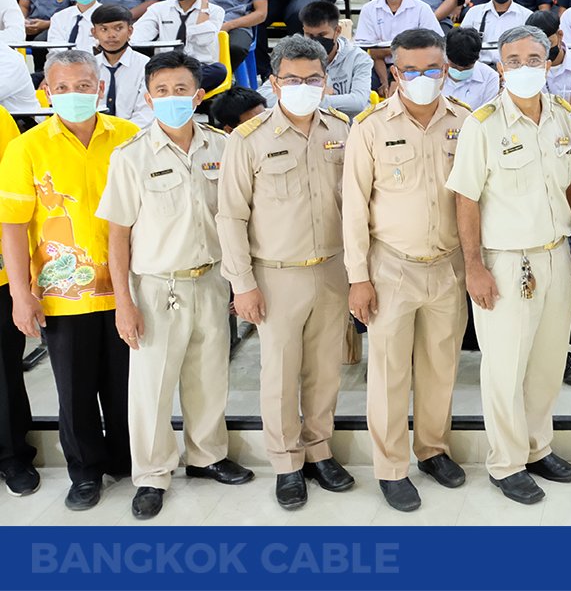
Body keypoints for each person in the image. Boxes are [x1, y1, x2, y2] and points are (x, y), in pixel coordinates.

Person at [98, 52, 253, 519]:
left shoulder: (223, 149)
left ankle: (206, 457)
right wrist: (124, 302)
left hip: (211, 281)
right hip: (156, 287)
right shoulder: (130, 157)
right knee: (152, 386)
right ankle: (151, 474)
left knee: (209, 377)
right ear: (148, 97)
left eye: (181, 90)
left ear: (199, 95)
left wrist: (240, 282)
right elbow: (118, 236)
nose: (171, 99)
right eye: (161, 91)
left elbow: (238, 218)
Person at [217, 36, 356, 510]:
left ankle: (319, 449)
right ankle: (286, 462)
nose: (303, 87)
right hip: (275, 275)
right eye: (292, 80)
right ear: (274, 83)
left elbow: (358, 207)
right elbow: (231, 216)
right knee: (278, 374)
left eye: (312, 79)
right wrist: (243, 284)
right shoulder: (248, 139)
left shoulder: (342, 129)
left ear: (326, 81)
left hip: (334, 269)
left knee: (324, 370)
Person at [0, 50, 139, 512]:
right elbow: (14, 226)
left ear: (100, 89)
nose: (74, 95)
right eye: (62, 87)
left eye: (84, 86)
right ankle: (84, 473)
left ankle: (127, 460)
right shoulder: (28, 146)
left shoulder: (129, 137)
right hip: (64, 296)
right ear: (45, 92)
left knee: (125, 386)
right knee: (74, 393)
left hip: (126, 290)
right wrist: (21, 294)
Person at [448, 25, 571, 506]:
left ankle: (536, 446)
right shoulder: (482, 124)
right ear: (499, 66)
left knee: (547, 364)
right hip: (505, 262)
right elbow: (465, 199)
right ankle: (506, 463)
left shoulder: (562, 118)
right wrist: (474, 267)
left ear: (549, 62)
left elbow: (570, 189)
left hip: (555, 255)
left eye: (534, 58)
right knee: (505, 369)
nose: (524, 67)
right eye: (513, 59)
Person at [344, 28, 473, 513]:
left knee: (441, 367)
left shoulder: (465, 121)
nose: (422, 78)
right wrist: (358, 277)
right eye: (411, 70)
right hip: (390, 266)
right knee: (390, 372)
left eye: (432, 69)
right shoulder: (370, 126)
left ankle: (433, 449)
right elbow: (354, 208)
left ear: (446, 69)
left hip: (448, 266)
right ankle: (391, 466)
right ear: (394, 72)